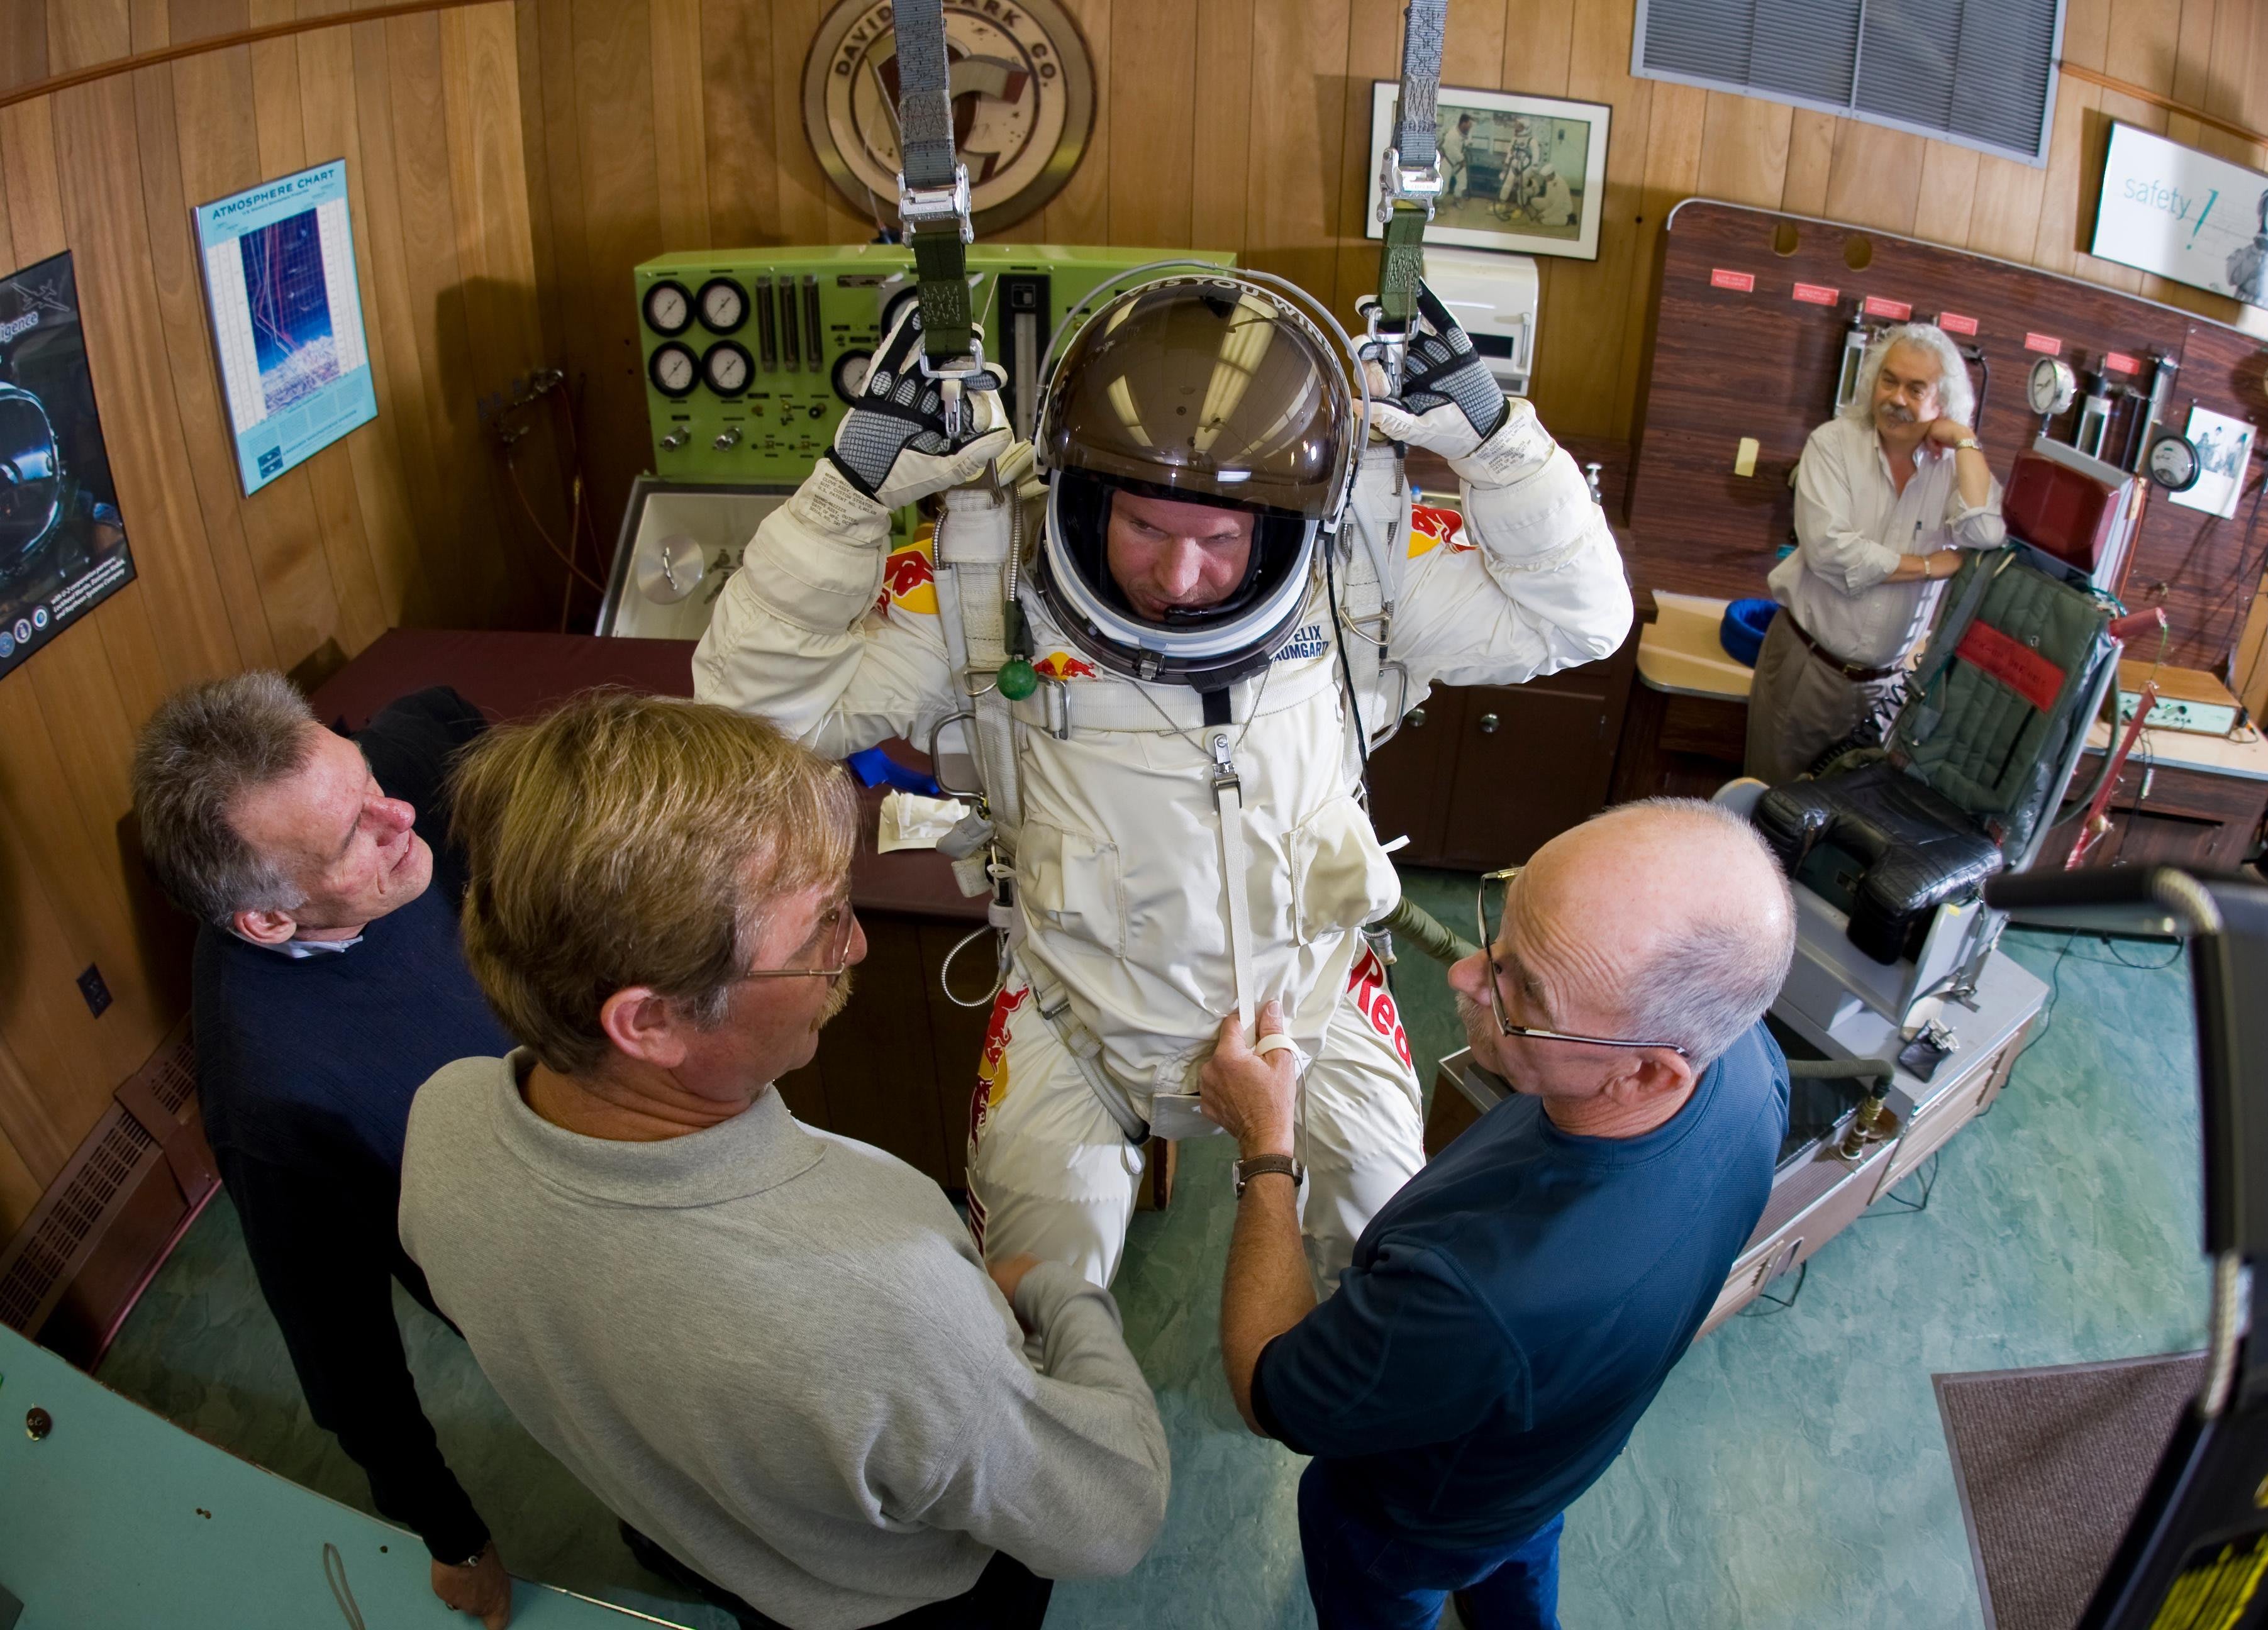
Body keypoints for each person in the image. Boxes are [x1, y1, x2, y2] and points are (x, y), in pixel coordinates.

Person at [695, 275, 1630, 1289]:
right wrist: (847, 494)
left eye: (1220, 542)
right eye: (1144, 529)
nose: (1179, 579)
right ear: (1083, 493)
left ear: (1278, 521)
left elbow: (1575, 618)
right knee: (1033, 1298)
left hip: (1308, 997)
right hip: (1075, 1015)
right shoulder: (984, 585)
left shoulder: (1352, 571)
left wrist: (1499, 445)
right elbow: (755, 717)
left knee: (1381, 1253)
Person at [398, 694, 1169, 1630]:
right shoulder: (886, 1295)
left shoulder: (442, 1126)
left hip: (728, 1548)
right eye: (819, 929)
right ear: (651, 1021)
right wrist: (1058, 1294)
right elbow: (1112, 1517)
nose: (855, 945)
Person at [1200, 799, 1795, 1630]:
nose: (1465, 975)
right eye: (1503, 933)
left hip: (1412, 1522)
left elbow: (1268, 1393)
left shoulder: (1475, 1291)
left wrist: (1266, 1146)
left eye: (1524, 991)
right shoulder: (1752, 1073)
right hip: (1547, 1464)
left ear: (1649, 1074)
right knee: (1517, 1555)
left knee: (1382, 1586)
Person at [130, 675, 514, 1629]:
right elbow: (344, 1356)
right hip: (531, 1294)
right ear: (267, 918)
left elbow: (442, 713)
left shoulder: (384, 791)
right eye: (354, 838)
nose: (401, 817)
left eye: (370, 779)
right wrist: (449, 1532)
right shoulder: (272, 1100)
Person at [1745, 322, 2003, 785]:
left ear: (1942, 402)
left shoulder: (1951, 470)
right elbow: (1830, 552)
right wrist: (1930, 567)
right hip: (1809, 668)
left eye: (1915, 388)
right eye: (1890, 380)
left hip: (1885, 688)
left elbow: (1985, 532)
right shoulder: (1832, 444)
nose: (1897, 399)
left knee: (1843, 826)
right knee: (1771, 809)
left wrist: (1964, 439)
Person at [1438, 114, 1473, 204]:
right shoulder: (1452, 134)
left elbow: (1469, 143)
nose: (1471, 126)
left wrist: (1467, 146)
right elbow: (1452, 150)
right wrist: (1462, 160)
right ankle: (1438, 203)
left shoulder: (1467, 133)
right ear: (1463, 123)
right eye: (1469, 124)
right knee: (1444, 185)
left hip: (1459, 163)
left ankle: (1457, 200)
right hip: (1448, 161)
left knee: (1462, 182)